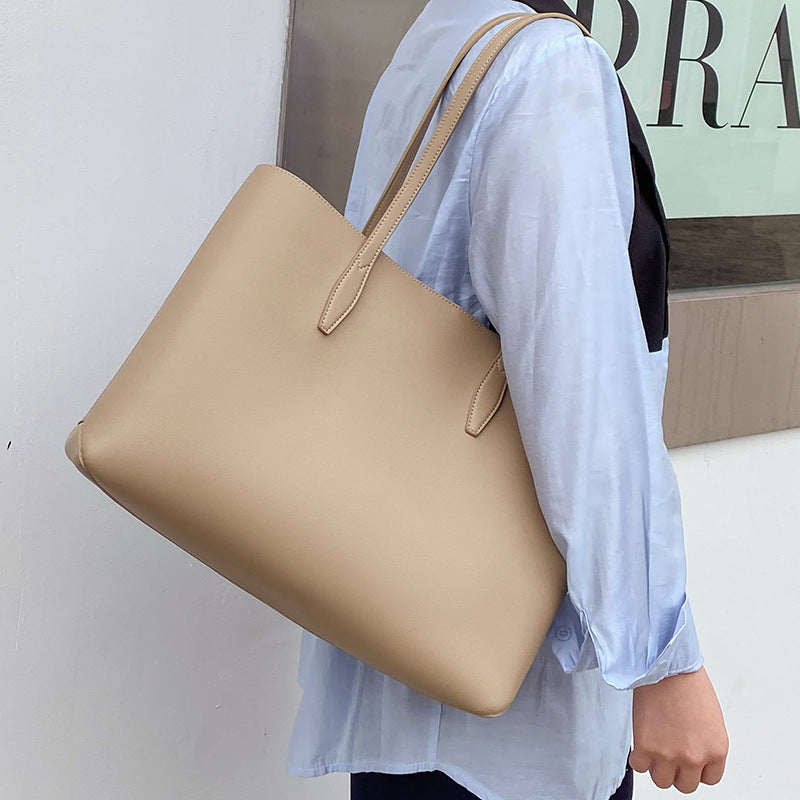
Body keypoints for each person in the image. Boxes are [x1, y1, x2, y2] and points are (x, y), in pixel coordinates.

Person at [285, 1, 730, 799]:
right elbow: (585, 391)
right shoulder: (548, 66)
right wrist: (663, 660)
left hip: (405, 662)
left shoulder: (442, 38)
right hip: (505, 729)